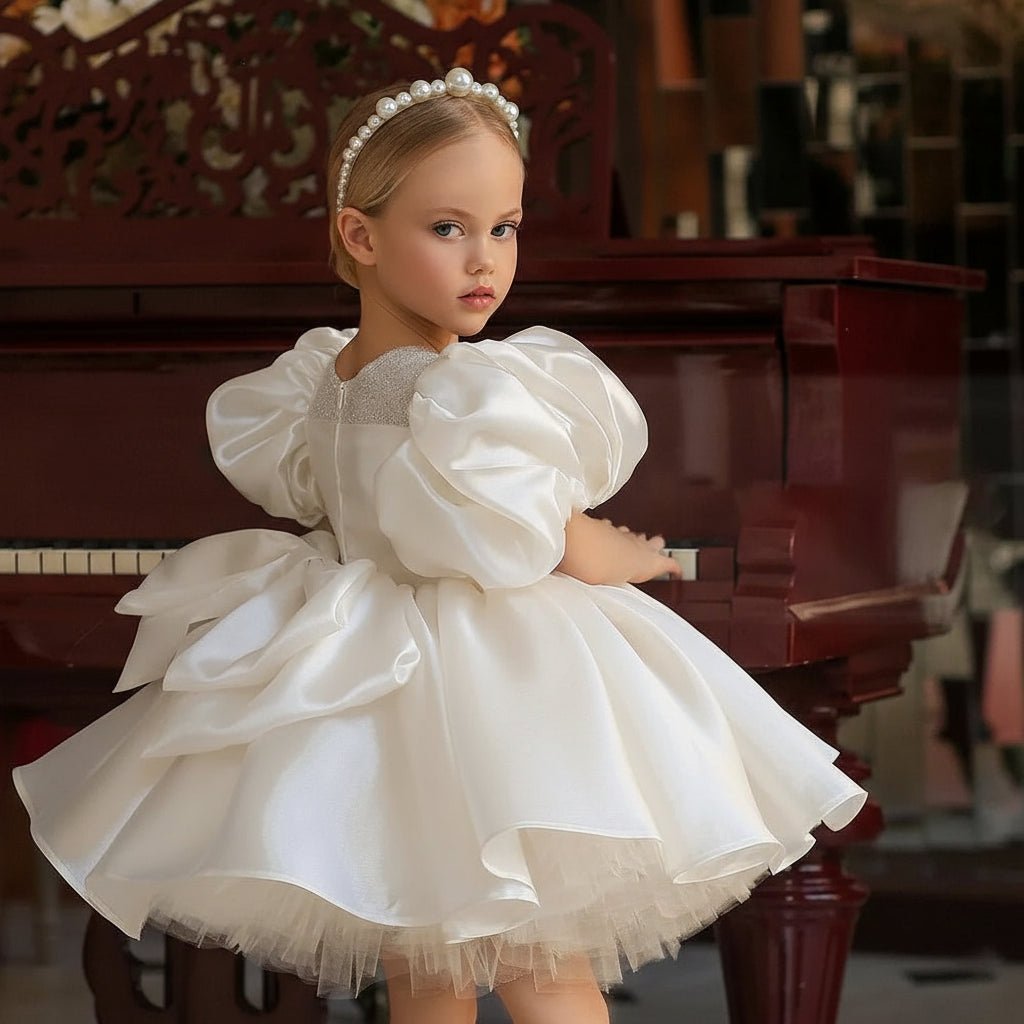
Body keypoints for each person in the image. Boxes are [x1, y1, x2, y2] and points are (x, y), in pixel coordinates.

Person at [13, 68, 867, 1024]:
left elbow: (350, 500)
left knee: (428, 967)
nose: (484, 263)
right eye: (447, 228)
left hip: (360, 665)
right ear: (361, 236)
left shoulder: (320, 378)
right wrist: (640, 554)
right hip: (487, 684)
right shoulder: (463, 389)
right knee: (544, 968)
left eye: (503, 227)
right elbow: (549, 538)